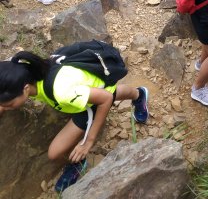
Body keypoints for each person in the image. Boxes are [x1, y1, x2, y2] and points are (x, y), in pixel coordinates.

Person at [0, 50, 148, 192]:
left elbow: (106, 98)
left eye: (8, 104)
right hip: (85, 88)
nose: (6, 108)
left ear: (26, 89)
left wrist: (88, 142)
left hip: (91, 101)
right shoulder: (18, 68)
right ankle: (138, 94)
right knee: (110, 91)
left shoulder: (62, 92)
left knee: (54, 153)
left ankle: (78, 161)